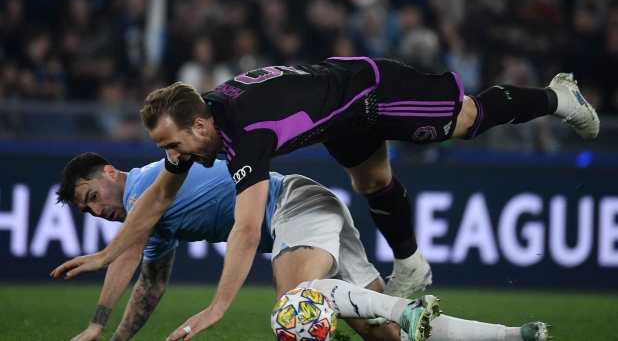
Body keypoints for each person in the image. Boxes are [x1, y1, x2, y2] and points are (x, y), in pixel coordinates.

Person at [51, 57, 593, 337]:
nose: (176, 157)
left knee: (465, 120)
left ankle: (557, 97)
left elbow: (246, 229)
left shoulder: (245, 135)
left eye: (175, 145)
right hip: (338, 117)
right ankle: (411, 266)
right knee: (372, 182)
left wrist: (217, 307)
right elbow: (158, 197)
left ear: (197, 126)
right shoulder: (199, 123)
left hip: (372, 92)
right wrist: (105, 254)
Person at [53, 152, 550, 341]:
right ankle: (512, 336)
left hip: (295, 204)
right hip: (310, 209)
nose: (98, 211)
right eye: (87, 210)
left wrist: (95, 325)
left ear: (111, 174)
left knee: (294, 313)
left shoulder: (144, 188)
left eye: (93, 197)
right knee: (382, 338)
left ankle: (405, 309)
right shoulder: (151, 220)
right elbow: (150, 283)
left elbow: (127, 252)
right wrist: (115, 339)